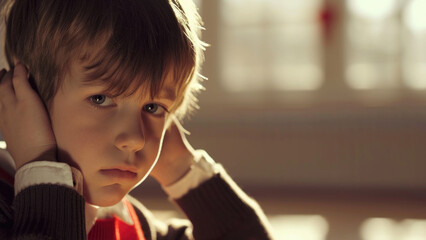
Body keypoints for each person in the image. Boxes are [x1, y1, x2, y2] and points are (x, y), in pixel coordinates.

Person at [0, 0, 274, 239]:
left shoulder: (133, 225)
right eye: (100, 99)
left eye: (153, 107)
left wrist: (179, 166)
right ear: (26, 96)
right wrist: (40, 164)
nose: (136, 138)